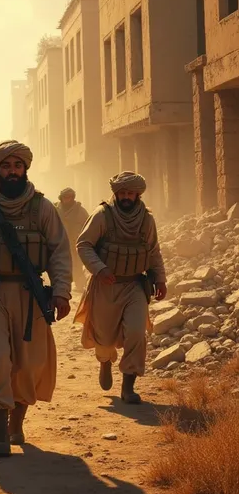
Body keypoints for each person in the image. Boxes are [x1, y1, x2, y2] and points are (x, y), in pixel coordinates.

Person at [0, 140, 72, 458]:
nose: (13, 171)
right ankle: (0, 434)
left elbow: (60, 251)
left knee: (29, 365)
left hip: (30, 295)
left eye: (17, 165)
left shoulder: (42, 208)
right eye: (6, 166)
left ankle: (18, 422)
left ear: (26, 168)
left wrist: (61, 292)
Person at [74, 171, 167, 404]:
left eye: (130, 193)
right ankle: (105, 361)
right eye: (122, 192)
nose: (125, 197)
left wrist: (160, 279)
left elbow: (153, 251)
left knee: (136, 332)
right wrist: (100, 268)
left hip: (134, 285)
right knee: (104, 337)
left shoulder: (147, 219)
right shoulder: (102, 215)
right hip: (106, 285)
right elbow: (84, 245)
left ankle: (128, 386)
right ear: (115, 193)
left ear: (137, 194)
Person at [56, 188, 89, 293]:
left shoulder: (81, 211)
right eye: (65, 197)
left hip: (75, 243)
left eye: (69, 197)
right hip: (59, 243)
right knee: (60, 266)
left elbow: (88, 226)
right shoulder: (55, 209)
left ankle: (79, 286)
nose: (67, 200)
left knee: (77, 265)